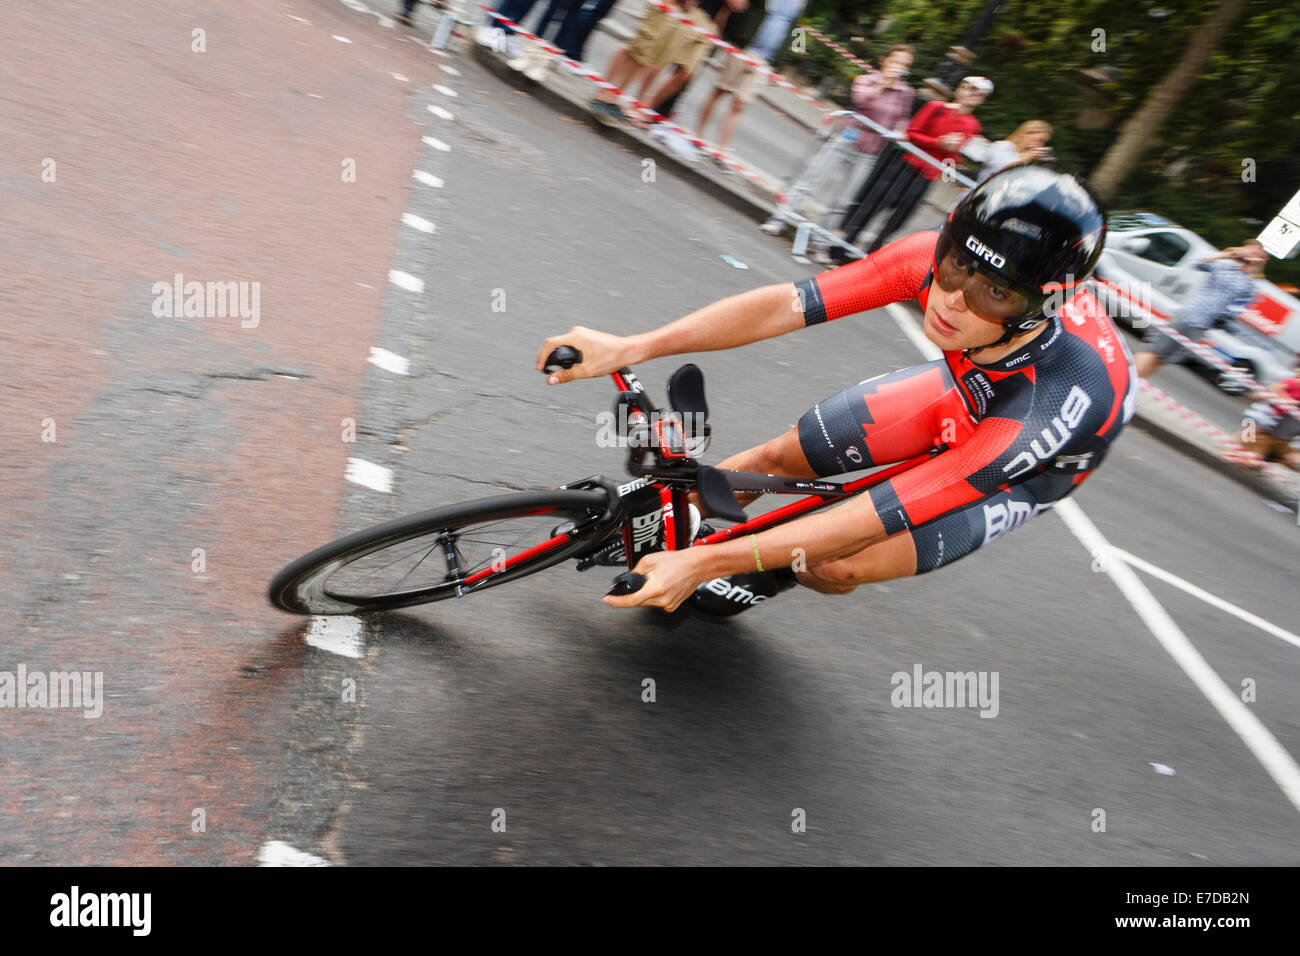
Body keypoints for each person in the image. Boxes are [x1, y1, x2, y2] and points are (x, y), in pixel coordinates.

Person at [536, 166, 1133, 615]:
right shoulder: (930, 261)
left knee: (837, 561)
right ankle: (673, 531)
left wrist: (704, 563)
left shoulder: (1054, 398)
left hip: (1024, 453)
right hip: (967, 386)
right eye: (955, 266)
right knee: (775, 459)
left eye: (994, 293)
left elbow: (881, 510)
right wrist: (634, 345)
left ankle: (763, 568)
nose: (953, 298)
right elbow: (783, 307)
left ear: (1039, 309)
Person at [831, 75, 991, 263]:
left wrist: (951, 162)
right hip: (904, 166)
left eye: (976, 92)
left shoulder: (973, 125)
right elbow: (912, 133)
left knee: (896, 221)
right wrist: (938, 142)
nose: (970, 94)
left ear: (981, 99)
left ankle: (868, 258)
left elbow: (954, 156)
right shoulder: (936, 107)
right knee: (872, 206)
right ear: (959, 89)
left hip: (925, 177)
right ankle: (842, 247)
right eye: (967, 87)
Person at [761, 45, 915, 237]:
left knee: (843, 201)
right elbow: (860, 101)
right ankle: (778, 220)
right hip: (848, 138)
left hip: (870, 151)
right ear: (885, 60)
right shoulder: (867, 80)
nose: (899, 67)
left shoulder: (905, 93)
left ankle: (821, 242)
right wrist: (883, 84)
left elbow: (902, 119)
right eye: (895, 61)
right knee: (811, 181)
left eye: (904, 64)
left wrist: (901, 131)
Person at [1134, 240, 1268, 379]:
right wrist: (1227, 254)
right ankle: (1126, 378)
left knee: (1164, 358)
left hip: (1201, 326)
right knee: (1153, 350)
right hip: (1188, 315)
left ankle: (1137, 381)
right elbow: (1197, 263)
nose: (1253, 255)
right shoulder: (1225, 266)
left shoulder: (1250, 283)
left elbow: (1245, 303)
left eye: (1257, 253)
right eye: (1252, 250)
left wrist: (1255, 268)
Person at [591, 0, 717, 125]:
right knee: (636, 50)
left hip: (678, 7)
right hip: (668, 4)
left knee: (643, 57)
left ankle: (613, 96)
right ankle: (603, 94)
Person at [1239, 367, 1300, 470]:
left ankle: (1257, 456)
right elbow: (1260, 395)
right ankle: (1239, 449)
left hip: (1282, 443)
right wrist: (1285, 400)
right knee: (1249, 431)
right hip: (1264, 433)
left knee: (1296, 461)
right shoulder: (1293, 384)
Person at [977, 120, 1052, 183]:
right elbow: (998, 168)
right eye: (1040, 140)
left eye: (1043, 142)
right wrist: (1025, 157)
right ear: (1026, 134)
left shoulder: (1030, 159)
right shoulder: (1001, 146)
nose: (1040, 144)